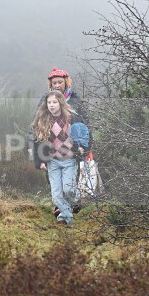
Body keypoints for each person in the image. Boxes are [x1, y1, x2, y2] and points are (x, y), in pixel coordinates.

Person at [35, 67, 90, 215]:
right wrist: (36, 151)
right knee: (54, 181)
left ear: (66, 82)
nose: (57, 85)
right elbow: (36, 125)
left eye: (60, 82)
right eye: (54, 83)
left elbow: (85, 124)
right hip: (51, 148)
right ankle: (61, 207)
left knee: (69, 182)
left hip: (71, 149)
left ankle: (72, 201)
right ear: (50, 84)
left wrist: (85, 146)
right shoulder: (46, 101)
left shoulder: (75, 100)